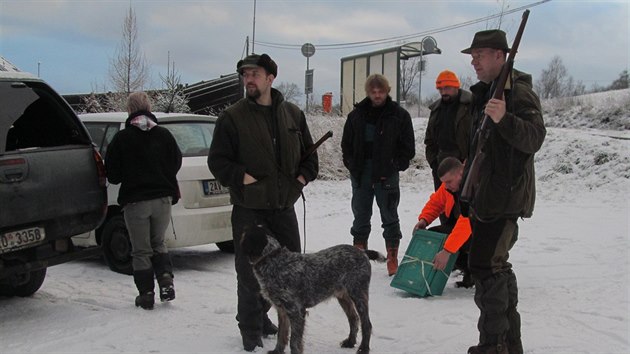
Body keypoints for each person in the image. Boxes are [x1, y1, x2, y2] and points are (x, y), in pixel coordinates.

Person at [207, 53, 319, 352]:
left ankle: (269, 319)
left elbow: (310, 159)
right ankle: (250, 329)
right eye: (245, 74)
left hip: (284, 208)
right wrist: (241, 176)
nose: (249, 79)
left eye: (254, 74)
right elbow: (217, 161)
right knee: (249, 272)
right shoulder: (232, 117)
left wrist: (300, 181)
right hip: (250, 209)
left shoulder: (293, 114)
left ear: (270, 78)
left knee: (291, 270)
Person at [460, 30, 546, 354]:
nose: (474, 61)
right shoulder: (485, 93)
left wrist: (504, 119)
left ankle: (493, 345)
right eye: (473, 56)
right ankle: (509, 343)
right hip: (488, 196)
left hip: (504, 198)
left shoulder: (518, 92)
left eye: (479, 55)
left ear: (500, 56)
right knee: (496, 266)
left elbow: (534, 137)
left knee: (485, 266)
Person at [105, 91, 182, 310]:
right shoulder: (165, 135)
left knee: (141, 249)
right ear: (149, 108)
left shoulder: (122, 139)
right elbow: (175, 163)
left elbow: (113, 175)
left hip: (136, 201)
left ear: (129, 110)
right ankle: (166, 281)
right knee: (158, 242)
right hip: (163, 200)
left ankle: (146, 294)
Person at [341, 73, 415, 276]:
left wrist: (395, 164)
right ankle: (358, 260)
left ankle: (392, 258)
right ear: (368, 92)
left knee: (390, 217)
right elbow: (346, 145)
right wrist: (351, 164)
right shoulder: (355, 116)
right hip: (361, 174)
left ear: (387, 91)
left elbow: (408, 147)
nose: (377, 95)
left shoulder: (399, 115)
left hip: (387, 175)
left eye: (380, 91)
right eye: (373, 92)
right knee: (360, 217)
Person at [412, 157, 473, 288]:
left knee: (453, 243)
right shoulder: (449, 187)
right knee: (434, 234)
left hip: (484, 233)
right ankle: (466, 268)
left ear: (461, 173)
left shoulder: (473, 187)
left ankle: (474, 271)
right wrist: (424, 219)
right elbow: (436, 202)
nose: (446, 186)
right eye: (444, 183)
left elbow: (466, 224)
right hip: (464, 229)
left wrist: (447, 251)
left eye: (449, 181)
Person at [425, 70, 473, 192]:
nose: (443, 92)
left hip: (464, 163)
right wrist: (434, 163)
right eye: (440, 89)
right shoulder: (436, 110)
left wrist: (468, 162)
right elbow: (429, 139)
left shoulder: (471, 105)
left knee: (464, 203)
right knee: (443, 203)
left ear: (456, 86)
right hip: (441, 164)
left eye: (447, 88)